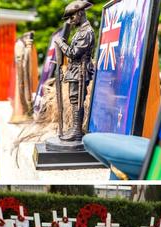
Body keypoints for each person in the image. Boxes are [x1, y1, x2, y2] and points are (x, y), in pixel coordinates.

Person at [53, 0, 95, 142]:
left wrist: (61, 43)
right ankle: (75, 129)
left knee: (77, 100)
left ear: (80, 13)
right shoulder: (80, 32)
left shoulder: (86, 32)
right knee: (74, 99)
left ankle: (77, 131)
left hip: (81, 71)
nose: (71, 21)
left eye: (72, 17)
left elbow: (73, 53)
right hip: (75, 70)